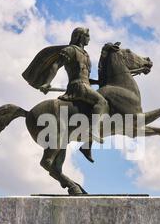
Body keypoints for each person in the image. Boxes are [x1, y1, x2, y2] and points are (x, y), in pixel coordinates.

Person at [22, 27, 108, 162]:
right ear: (80, 37)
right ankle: (91, 130)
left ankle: (86, 146)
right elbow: (56, 65)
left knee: (97, 107)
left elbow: (85, 76)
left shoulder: (85, 54)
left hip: (85, 85)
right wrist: (47, 82)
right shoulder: (70, 50)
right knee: (102, 103)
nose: (89, 38)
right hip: (78, 86)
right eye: (87, 35)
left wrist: (99, 82)